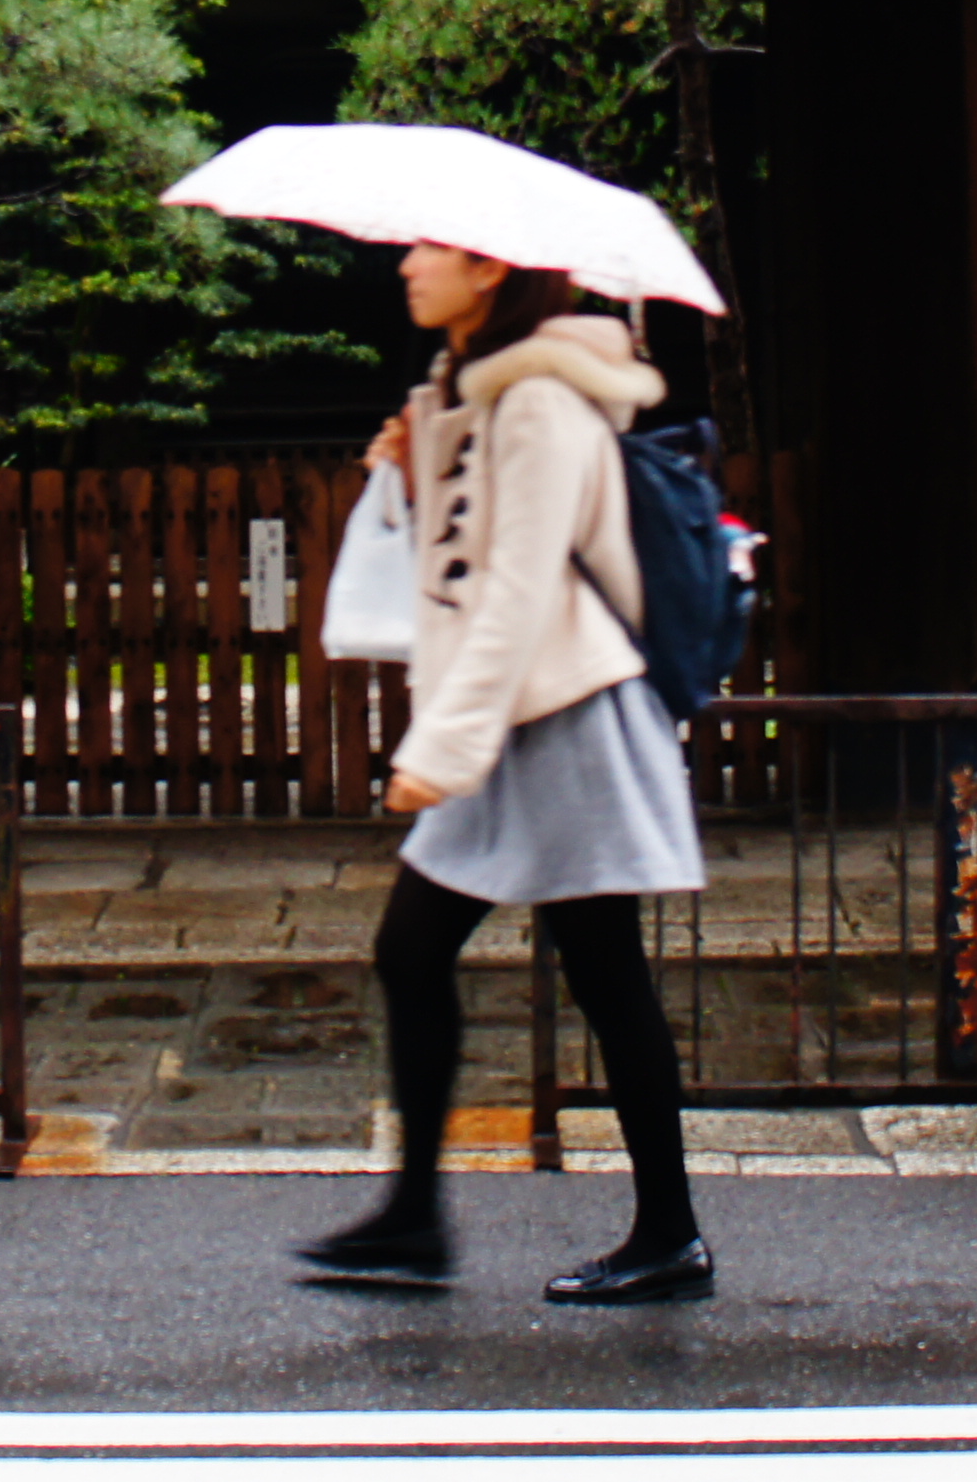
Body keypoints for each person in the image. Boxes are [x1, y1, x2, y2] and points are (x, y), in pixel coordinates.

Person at [290, 238, 711, 1305]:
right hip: (507, 718)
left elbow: (519, 596)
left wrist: (440, 748)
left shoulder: (539, 405)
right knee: (413, 951)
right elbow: (448, 571)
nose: (403, 267)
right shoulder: (462, 395)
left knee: (602, 974)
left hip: (564, 712)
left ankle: (665, 1235)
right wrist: (409, 458)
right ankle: (417, 1218)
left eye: (425, 250)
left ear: (488, 270)